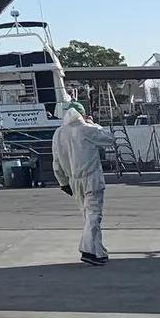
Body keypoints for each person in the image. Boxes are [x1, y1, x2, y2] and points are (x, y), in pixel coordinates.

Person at [51, 101, 118, 265]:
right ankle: (88, 250)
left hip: (73, 181)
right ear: (82, 113)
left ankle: (98, 251)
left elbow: (56, 161)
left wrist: (63, 182)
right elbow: (110, 140)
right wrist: (93, 123)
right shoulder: (87, 129)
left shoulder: (58, 133)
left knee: (87, 217)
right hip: (91, 178)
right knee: (94, 215)